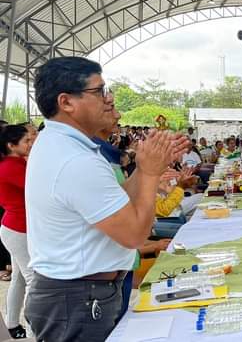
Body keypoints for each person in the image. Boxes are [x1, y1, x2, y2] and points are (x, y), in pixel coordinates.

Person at [24, 57, 189, 341]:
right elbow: (134, 235)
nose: (109, 99)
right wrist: (150, 174)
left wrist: (146, 167)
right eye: (99, 91)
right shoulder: (74, 159)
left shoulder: (67, 146)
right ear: (66, 102)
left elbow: (118, 201)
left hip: (81, 294)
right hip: (77, 299)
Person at [0, 125, 33, 338]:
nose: (31, 144)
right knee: (34, 280)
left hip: (17, 228)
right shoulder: (10, 167)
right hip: (19, 229)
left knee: (20, 279)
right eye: (26, 140)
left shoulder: (17, 163)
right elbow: (37, 186)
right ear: (11, 145)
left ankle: (12, 324)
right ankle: (33, 331)